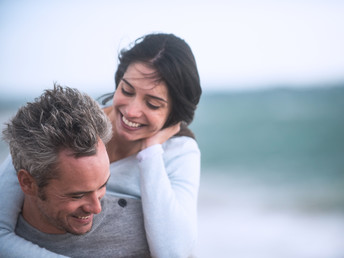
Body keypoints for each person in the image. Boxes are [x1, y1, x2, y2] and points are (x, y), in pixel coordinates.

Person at [0, 33, 202, 257]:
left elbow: (174, 253)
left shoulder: (179, 152)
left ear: (174, 114)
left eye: (153, 104)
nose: (132, 111)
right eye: (126, 90)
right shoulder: (64, 127)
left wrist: (151, 151)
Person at [1, 86, 150, 257]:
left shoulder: (144, 229)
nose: (96, 208)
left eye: (103, 185)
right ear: (27, 183)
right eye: (77, 195)